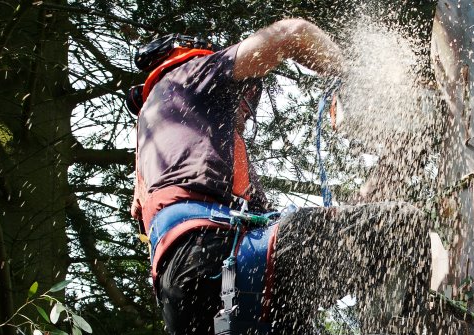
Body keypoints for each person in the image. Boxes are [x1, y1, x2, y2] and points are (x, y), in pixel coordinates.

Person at [125, 19, 432, 335]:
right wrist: (351, 78)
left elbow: (342, 235)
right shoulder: (191, 75)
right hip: (217, 259)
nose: (244, 112)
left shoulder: (160, 153)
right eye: (245, 98)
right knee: (402, 226)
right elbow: (293, 33)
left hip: (192, 298)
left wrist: (392, 166)